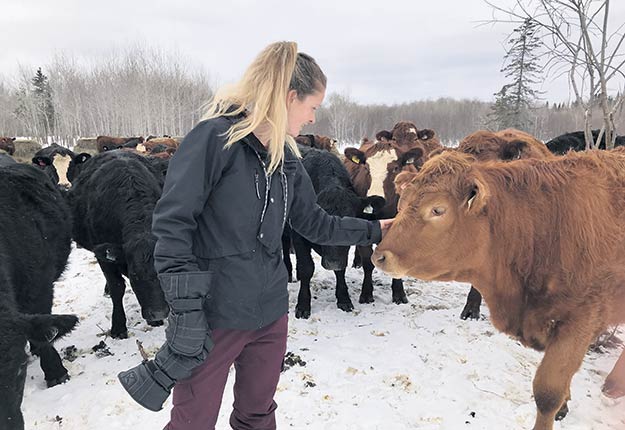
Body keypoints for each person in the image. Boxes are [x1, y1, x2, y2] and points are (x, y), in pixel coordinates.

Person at [118, 41, 393, 430]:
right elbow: (172, 224)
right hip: (214, 315)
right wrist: (186, 309)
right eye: (312, 107)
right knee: (192, 423)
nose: (313, 119)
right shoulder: (213, 140)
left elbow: (315, 223)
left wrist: (377, 230)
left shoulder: (285, 157)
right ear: (289, 97)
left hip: (269, 314)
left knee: (258, 417)